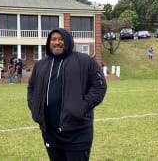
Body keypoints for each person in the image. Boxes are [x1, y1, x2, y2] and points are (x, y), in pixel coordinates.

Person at [27, 28, 107, 161]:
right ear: (49, 42)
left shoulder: (86, 61)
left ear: (68, 41)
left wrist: (82, 106)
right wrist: (34, 107)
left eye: (60, 39)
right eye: (53, 39)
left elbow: (99, 86)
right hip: (50, 132)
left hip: (77, 132)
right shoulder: (41, 65)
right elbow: (31, 88)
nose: (57, 42)